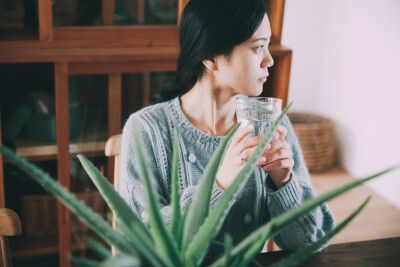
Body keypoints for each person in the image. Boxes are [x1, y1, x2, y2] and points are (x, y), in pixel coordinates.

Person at [120, 0, 335, 250]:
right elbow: (140, 242)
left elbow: (312, 243)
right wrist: (219, 185)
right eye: (258, 47)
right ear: (211, 57)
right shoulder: (147, 130)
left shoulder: (271, 125)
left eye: (268, 46)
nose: (269, 60)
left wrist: (284, 183)